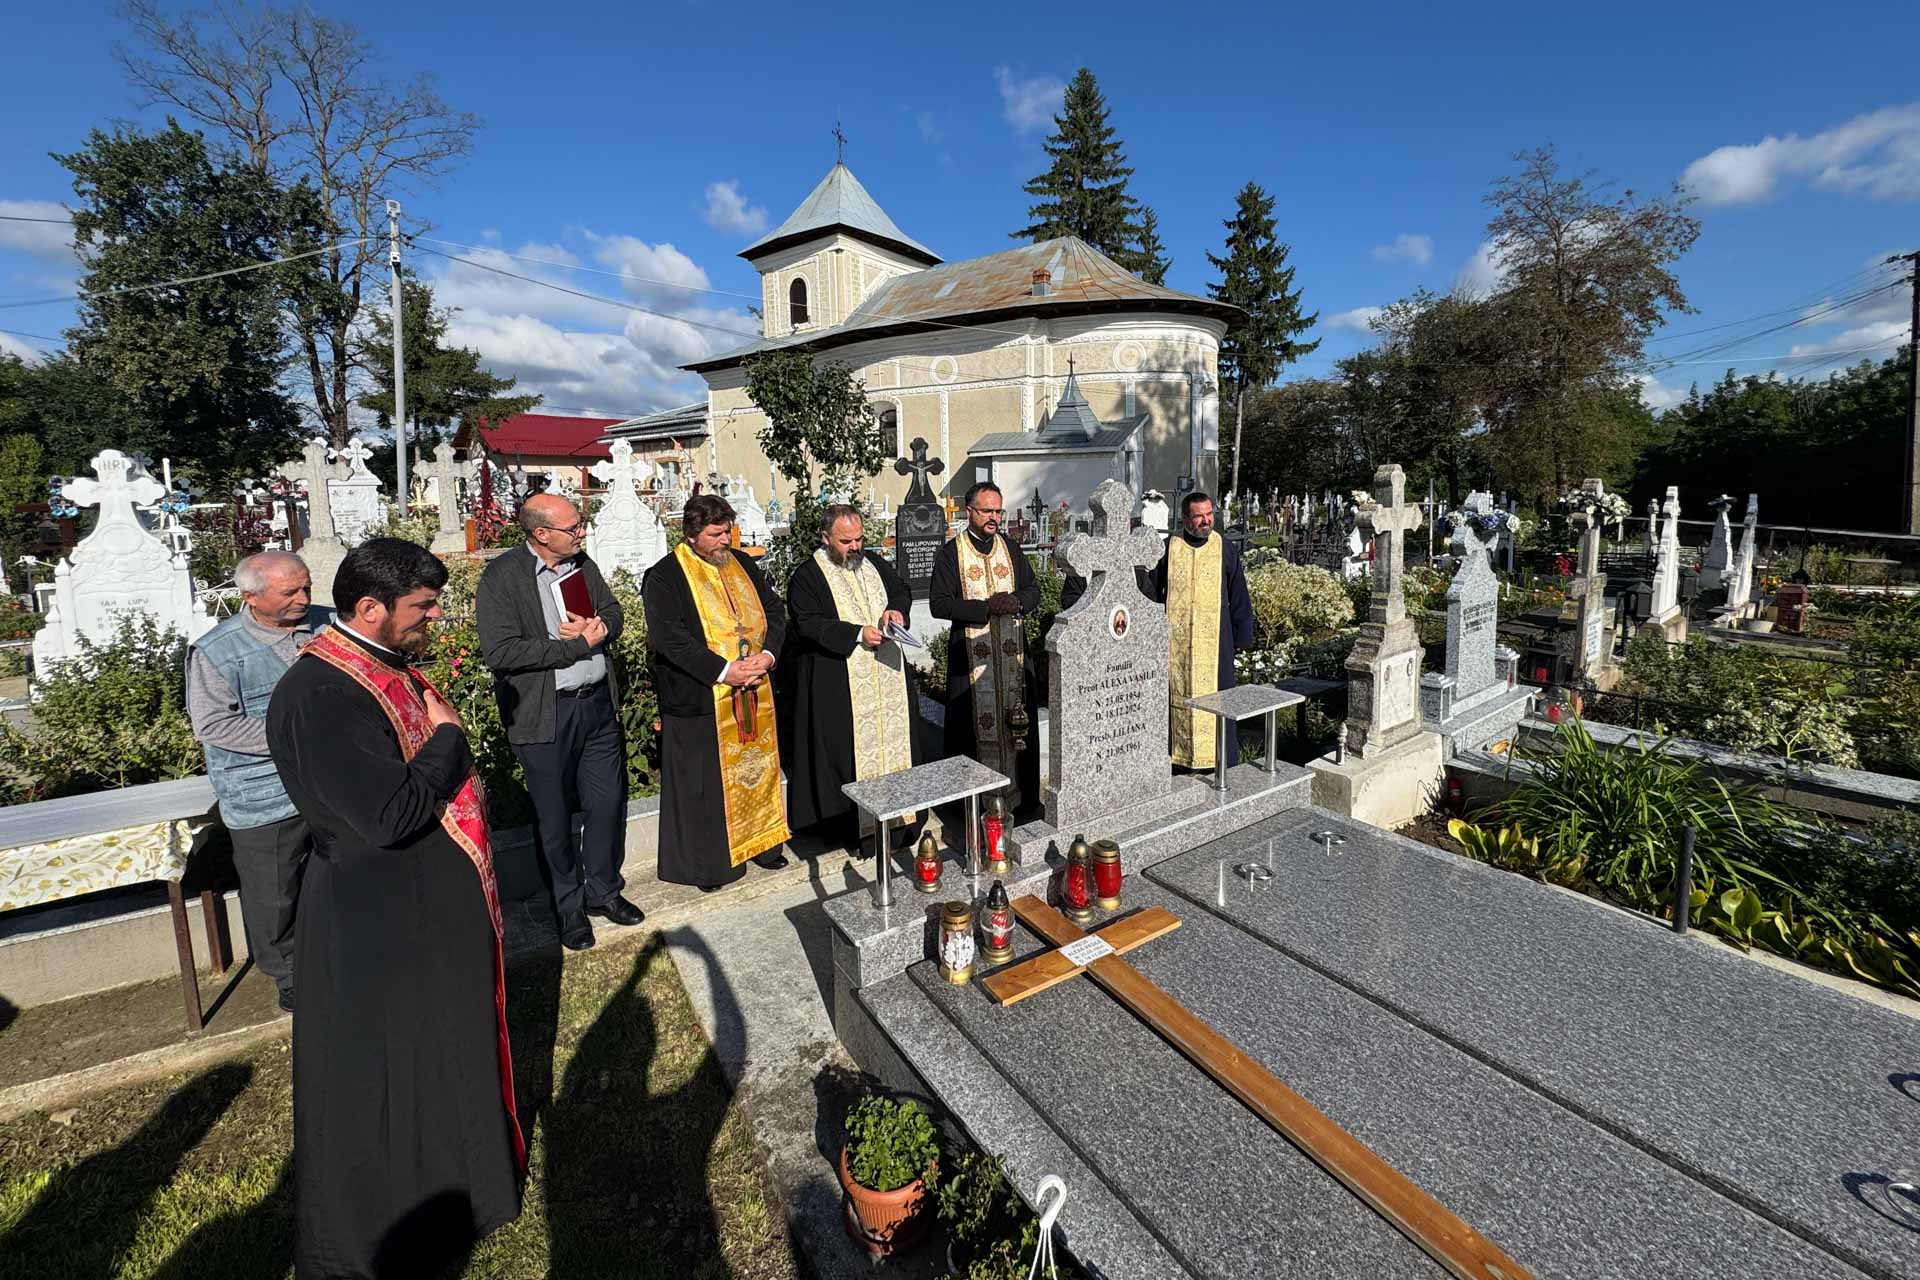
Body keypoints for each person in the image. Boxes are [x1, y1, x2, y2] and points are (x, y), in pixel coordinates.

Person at [265, 538, 523, 1278]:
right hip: (376, 924)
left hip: (420, 912)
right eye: (423, 607)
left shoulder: (380, 665)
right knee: (392, 1080)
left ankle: (471, 1191)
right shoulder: (319, 695)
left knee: (443, 1057)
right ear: (369, 607)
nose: (435, 620)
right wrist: (450, 739)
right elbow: (389, 814)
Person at [476, 492, 639, 952]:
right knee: (554, 818)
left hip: (597, 708)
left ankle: (604, 892)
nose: (581, 531)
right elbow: (501, 652)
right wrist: (574, 647)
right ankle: (568, 908)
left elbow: (613, 613)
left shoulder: (582, 564)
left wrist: (602, 629)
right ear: (540, 533)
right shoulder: (503, 577)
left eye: (580, 523)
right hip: (546, 715)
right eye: (572, 527)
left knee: (607, 804)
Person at [186, 550, 330, 1014]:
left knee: (328, 877)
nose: (304, 598)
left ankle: (333, 955)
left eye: (306, 586)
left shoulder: (327, 626)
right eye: (290, 592)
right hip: (265, 793)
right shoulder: (217, 651)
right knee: (274, 890)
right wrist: (295, 739)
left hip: (329, 785)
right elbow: (214, 726)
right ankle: (288, 974)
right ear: (249, 596)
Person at [642, 494, 791, 890]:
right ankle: (710, 866)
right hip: (700, 698)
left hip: (755, 691)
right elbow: (669, 639)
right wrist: (724, 671)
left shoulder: (742, 563)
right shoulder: (665, 576)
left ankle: (764, 845)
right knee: (705, 786)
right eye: (715, 533)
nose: (725, 539)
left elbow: (774, 611)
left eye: (728, 531)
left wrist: (768, 657)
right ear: (692, 535)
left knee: (757, 772)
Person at [780, 504, 923, 848]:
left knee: (896, 746)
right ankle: (858, 832)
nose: (856, 547)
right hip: (838, 682)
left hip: (887, 675)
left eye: (859, 539)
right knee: (846, 755)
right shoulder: (807, 576)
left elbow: (900, 589)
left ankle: (901, 824)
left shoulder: (873, 563)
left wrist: (896, 611)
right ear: (825, 537)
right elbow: (808, 623)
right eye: (846, 541)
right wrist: (858, 634)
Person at [929, 480, 1040, 810]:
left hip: (1012, 656)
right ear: (970, 511)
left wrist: (1017, 601)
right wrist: (985, 607)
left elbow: (1033, 590)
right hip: (971, 659)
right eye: (987, 510)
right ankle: (974, 806)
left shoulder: (1010, 547)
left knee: (1018, 726)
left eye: (997, 511)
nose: (993, 517)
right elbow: (940, 604)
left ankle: (1021, 801)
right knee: (972, 731)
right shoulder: (952, 554)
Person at [1148, 491, 1255, 769]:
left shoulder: (1224, 548)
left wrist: (1242, 636)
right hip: (1176, 646)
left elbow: (1239, 593)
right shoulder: (1169, 548)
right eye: (1199, 516)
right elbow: (1153, 592)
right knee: (1175, 701)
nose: (1206, 521)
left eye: (1209, 514)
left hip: (1216, 643)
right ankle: (1176, 764)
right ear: (1185, 518)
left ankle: (1218, 762)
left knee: (1219, 701)